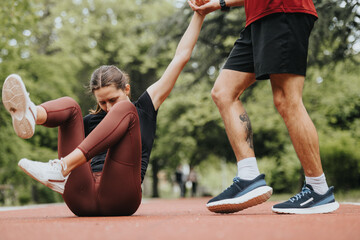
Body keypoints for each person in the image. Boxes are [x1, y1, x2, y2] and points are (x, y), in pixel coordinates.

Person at [1, 10, 205, 216]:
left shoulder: (142, 109)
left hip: (121, 196)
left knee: (126, 110)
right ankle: (32, 113)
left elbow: (180, 58)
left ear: (126, 89)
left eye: (113, 99)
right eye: (102, 102)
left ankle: (61, 168)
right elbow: (77, 124)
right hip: (81, 196)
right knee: (71, 107)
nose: (108, 107)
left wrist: (200, 14)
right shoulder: (90, 122)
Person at [189, 0, 339, 214]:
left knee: (287, 99)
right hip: (258, 17)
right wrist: (219, 3)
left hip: (283, 10)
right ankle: (249, 176)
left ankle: (318, 189)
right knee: (223, 92)